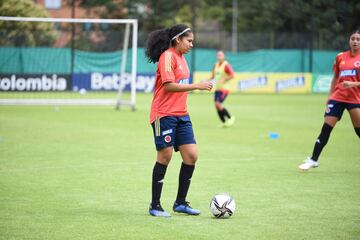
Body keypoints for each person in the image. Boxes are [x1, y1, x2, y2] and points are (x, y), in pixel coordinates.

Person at [146, 24, 213, 217]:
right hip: (164, 114)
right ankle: (155, 205)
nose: (192, 44)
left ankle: (180, 203)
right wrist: (197, 86)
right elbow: (168, 86)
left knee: (191, 155)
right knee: (165, 156)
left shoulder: (182, 59)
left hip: (182, 114)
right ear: (178, 40)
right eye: (189, 41)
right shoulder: (167, 56)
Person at [299, 29, 360, 171]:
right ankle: (313, 159)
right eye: (353, 38)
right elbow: (335, 78)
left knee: (358, 131)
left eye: (358, 39)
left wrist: (353, 84)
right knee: (326, 128)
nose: (355, 41)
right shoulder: (341, 57)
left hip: (355, 99)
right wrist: (330, 96)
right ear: (349, 40)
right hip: (338, 97)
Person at [209, 50, 236, 127]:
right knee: (216, 105)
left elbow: (232, 75)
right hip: (217, 88)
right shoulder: (215, 65)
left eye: (220, 55)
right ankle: (223, 122)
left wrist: (225, 79)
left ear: (224, 56)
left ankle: (230, 118)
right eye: (218, 55)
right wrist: (206, 81)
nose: (219, 56)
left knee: (218, 103)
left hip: (224, 89)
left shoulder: (226, 65)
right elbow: (213, 77)